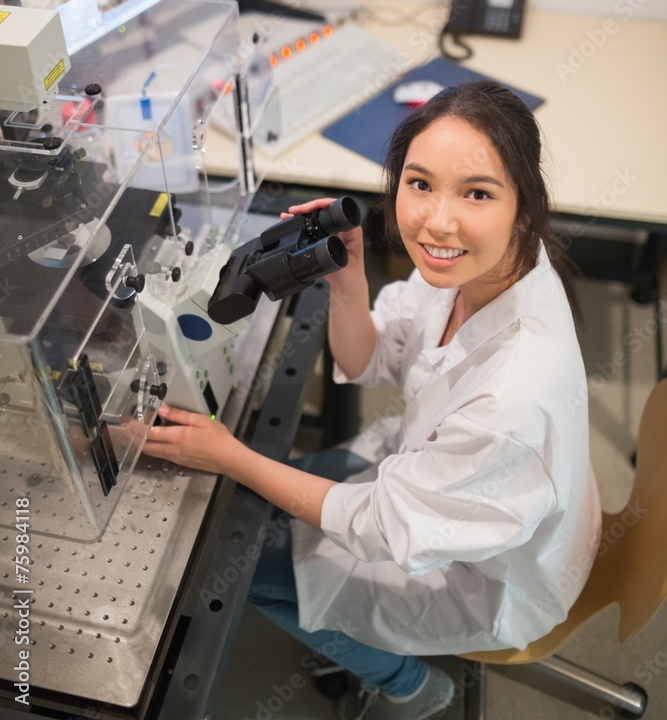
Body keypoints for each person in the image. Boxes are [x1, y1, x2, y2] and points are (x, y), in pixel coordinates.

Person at [144, 79, 601, 720]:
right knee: (259, 509)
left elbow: (380, 528)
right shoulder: (475, 266)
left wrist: (230, 455)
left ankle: (410, 686)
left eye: (477, 192)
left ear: (525, 205)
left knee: (239, 564)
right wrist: (348, 283)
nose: (436, 221)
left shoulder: (512, 396)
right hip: (452, 488)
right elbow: (368, 359)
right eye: (420, 184)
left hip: (486, 577)